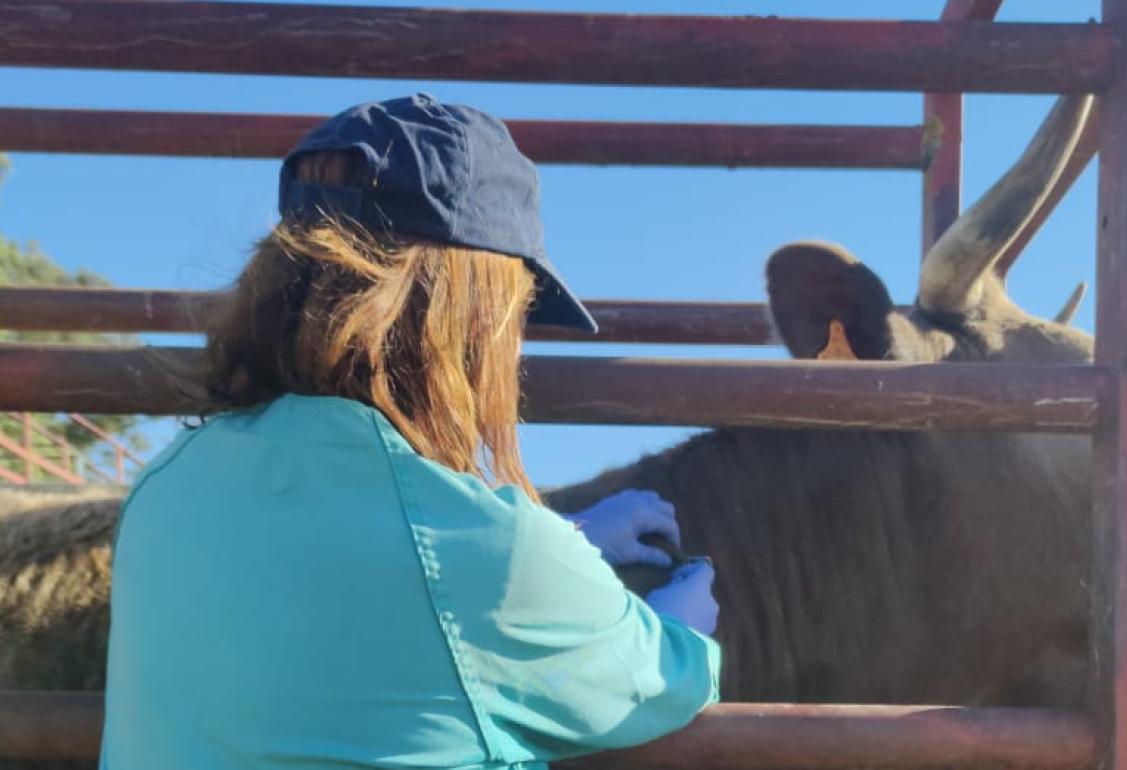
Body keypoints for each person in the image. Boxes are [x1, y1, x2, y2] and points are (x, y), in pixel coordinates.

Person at [98, 95, 720, 769]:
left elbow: (346, 591)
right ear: (467, 313)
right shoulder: (487, 557)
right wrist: (684, 624)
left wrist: (568, 539)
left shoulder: (165, 489)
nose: (514, 351)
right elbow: (651, 681)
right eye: (516, 310)